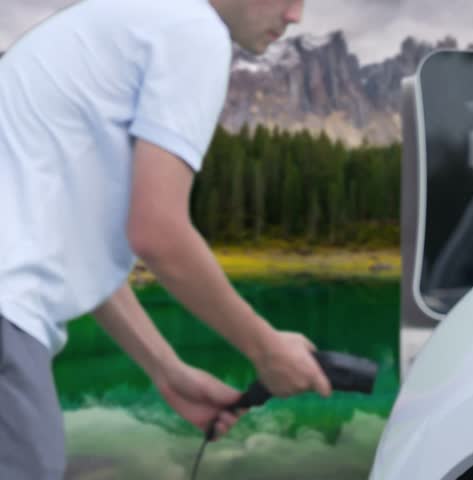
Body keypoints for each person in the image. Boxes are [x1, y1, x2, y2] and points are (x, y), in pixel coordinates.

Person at [0, 0, 331, 478]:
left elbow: (69, 244)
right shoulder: (194, 30)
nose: (296, 15)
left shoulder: (133, 18)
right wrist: (266, 349)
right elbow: (158, 232)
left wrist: (166, 369)